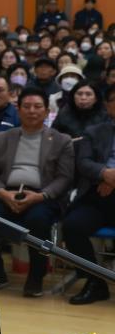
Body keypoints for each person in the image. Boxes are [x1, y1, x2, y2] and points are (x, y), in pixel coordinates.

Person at [0, 87, 74, 296]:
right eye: (27, 106)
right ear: (19, 109)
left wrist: (40, 196)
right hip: (7, 193)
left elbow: (64, 178)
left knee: (37, 221)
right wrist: (3, 193)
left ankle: (36, 276)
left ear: (47, 110)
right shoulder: (2, 138)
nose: (32, 111)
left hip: (42, 196)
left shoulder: (61, 140)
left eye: (37, 106)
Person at [63, 88, 115, 305]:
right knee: (72, 226)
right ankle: (96, 282)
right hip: (98, 196)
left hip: (107, 189)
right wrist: (105, 174)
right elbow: (83, 162)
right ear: (108, 105)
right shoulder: (95, 131)